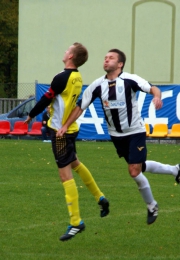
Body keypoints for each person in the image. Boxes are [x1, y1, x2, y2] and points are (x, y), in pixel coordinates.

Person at [56, 48, 180, 225]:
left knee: (134, 170)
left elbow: (153, 88)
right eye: (105, 58)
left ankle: (152, 205)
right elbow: (80, 107)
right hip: (116, 136)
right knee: (139, 166)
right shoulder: (97, 85)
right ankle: (175, 170)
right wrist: (64, 126)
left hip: (135, 132)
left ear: (120, 64)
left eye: (111, 58)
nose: (106, 60)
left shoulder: (130, 79)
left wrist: (157, 97)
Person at [24, 42, 109, 241]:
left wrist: (31, 115)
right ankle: (100, 197)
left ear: (71, 56)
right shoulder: (77, 77)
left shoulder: (61, 77)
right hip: (71, 129)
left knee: (65, 176)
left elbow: (46, 98)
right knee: (75, 163)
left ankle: (75, 221)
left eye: (67, 50)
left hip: (60, 132)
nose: (65, 51)